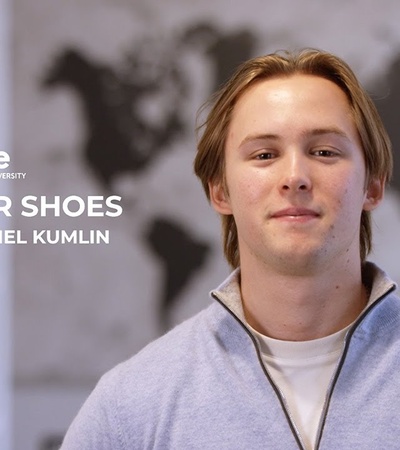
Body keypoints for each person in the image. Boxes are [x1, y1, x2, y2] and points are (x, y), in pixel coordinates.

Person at [61, 49, 399, 450]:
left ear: (373, 185)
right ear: (219, 190)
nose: (295, 177)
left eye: (324, 152)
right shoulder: (130, 409)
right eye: (264, 154)